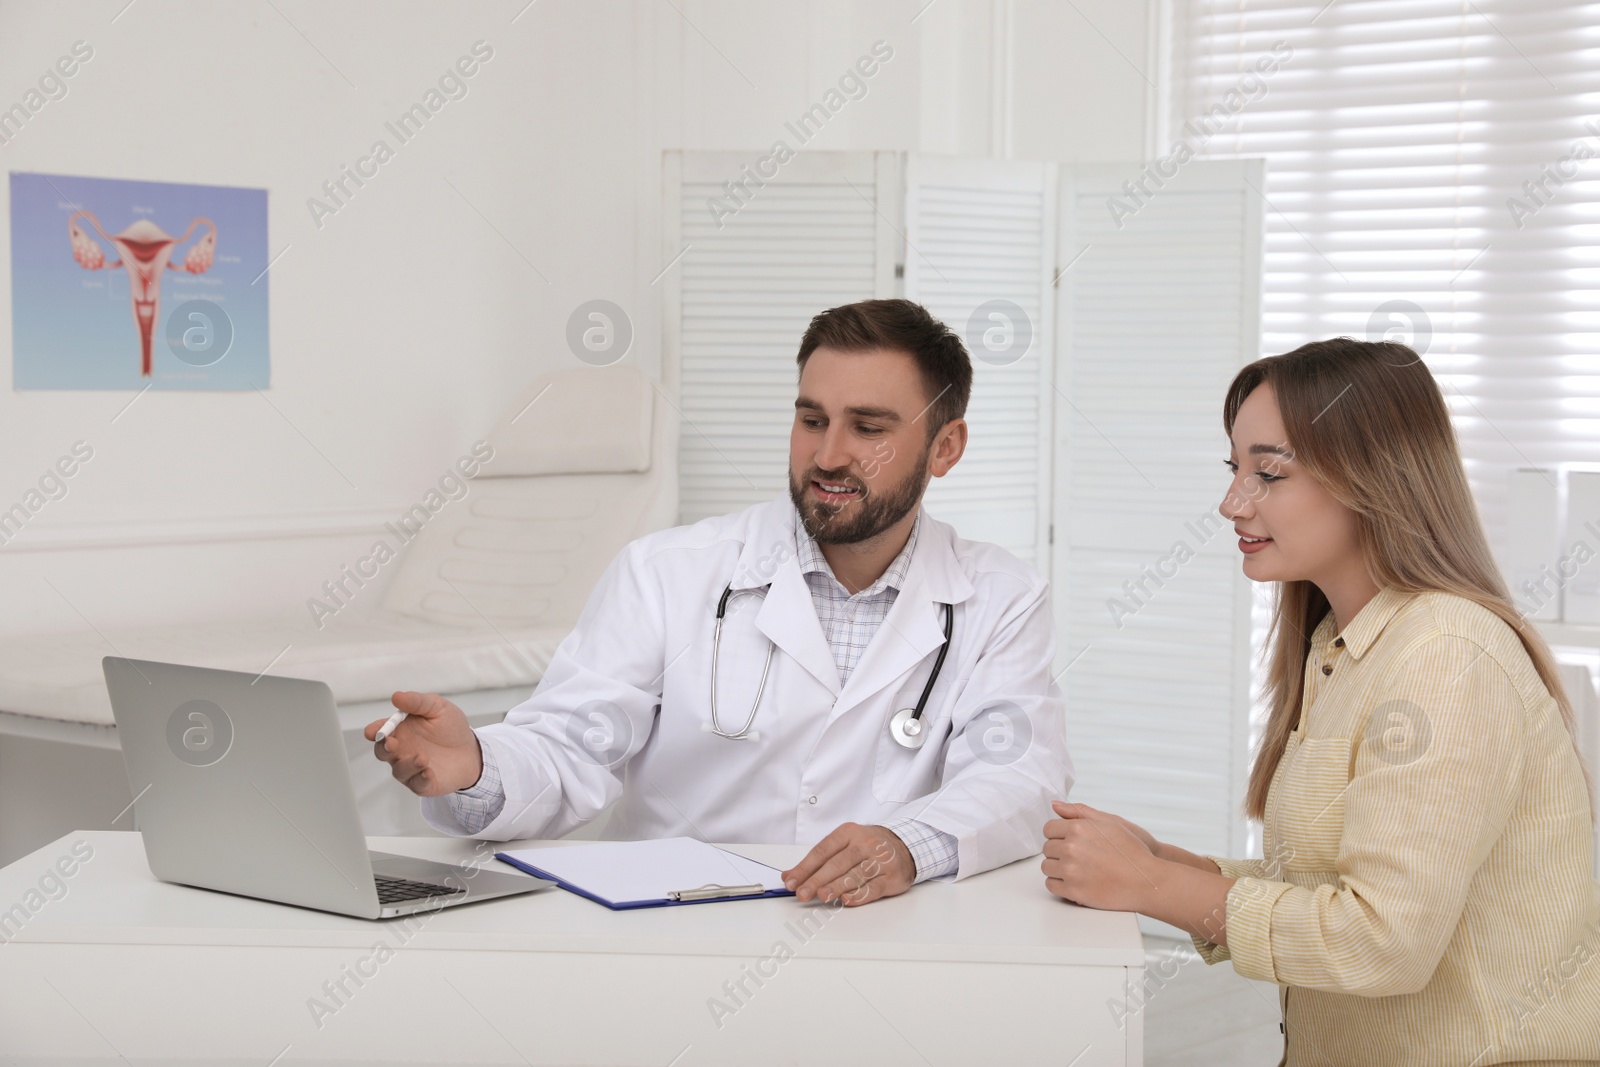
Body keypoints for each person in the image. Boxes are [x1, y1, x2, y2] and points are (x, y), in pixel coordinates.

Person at [369, 298, 1072, 906]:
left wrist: (905, 845)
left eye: (869, 427)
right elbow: (568, 744)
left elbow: (1017, 775)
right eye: (811, 419)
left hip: (881, 931)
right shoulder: (669, 571)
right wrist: (476, 766)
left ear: (945, 446)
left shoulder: (1000, 597)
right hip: (674, 932)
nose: (828, 455)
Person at [1040, 338, 1600, 1064]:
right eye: (1234, 468)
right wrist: (1170, 863)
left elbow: (1382, 941)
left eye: (1268, 472)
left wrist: (1155, 885)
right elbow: (1330, 886)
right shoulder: (1343, 643)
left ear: (1372, 477)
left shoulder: (1444, 655)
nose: (1231, 501)